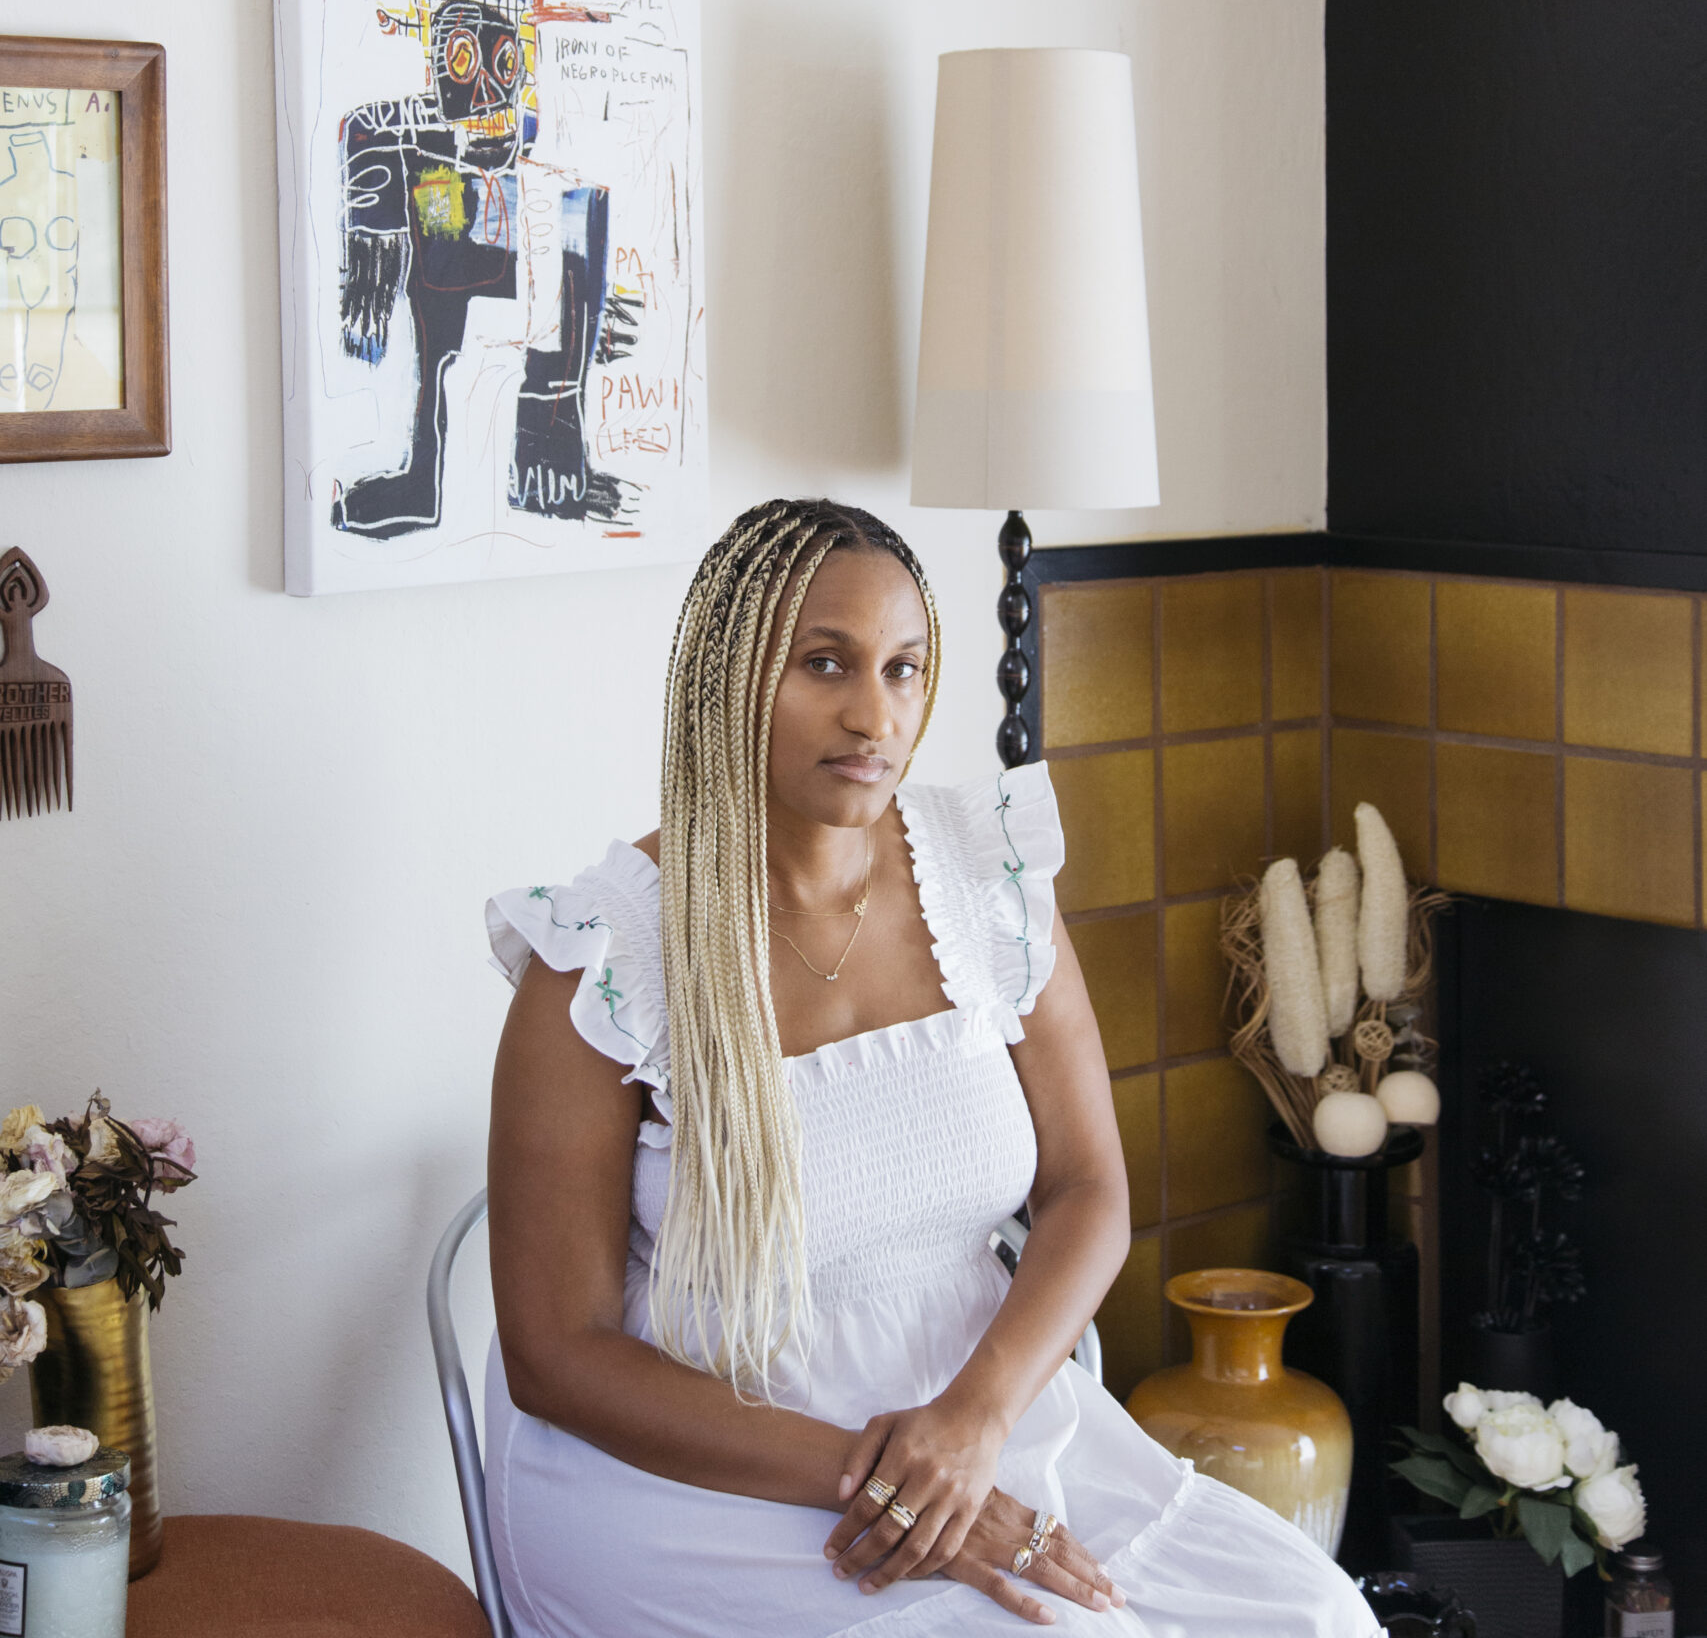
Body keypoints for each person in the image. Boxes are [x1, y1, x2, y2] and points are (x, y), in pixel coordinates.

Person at [485, 498, 1378, 1638]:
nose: (875, 713)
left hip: (989, 1412)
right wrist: (897, 1483)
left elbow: (1088, 1189)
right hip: (710, 1474)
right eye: (825, 663)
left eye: (905, 669)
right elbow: (555, 1355)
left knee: (1317, 1614)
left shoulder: (987, 876)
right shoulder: (600, 960)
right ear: (725, 679)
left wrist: (971, 1422)